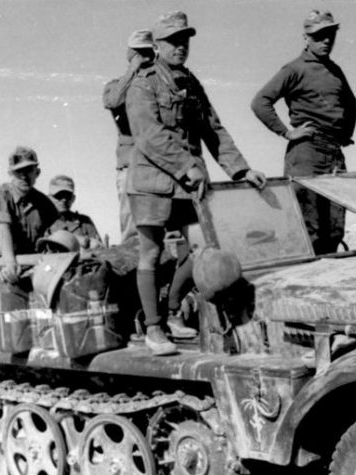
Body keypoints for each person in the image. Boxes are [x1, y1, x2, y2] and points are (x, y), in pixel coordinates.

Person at [126, 11, 267, 356]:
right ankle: (154, 327)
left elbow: (213, 129)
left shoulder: (191, 83)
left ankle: (173, 312)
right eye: (173, 41)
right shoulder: (143, 83)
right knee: (152, 252)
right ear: (157, 46)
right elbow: (148, 136)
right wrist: (188, 165)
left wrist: (240, 170)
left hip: (188, 183)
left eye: (185, 40)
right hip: (151, 183)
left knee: (198, 251)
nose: (181, 47)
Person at [251, 10, 356, 255]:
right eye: (319, 35)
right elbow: (260, 102)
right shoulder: (294, 69)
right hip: (306, 153)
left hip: (334, 154)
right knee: (308, 229)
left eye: (330, 34)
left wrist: (344, 133)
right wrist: (286, 133)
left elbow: (351, 104)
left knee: (334, 228)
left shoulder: (335, 71)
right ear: (306, 37)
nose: (326, 40)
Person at [0, 146, 59, 311]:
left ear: (37, 172)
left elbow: (57, 235)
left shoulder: (44, 203)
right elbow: (3, 229)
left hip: (29, 263)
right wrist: (9, 264)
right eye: (18, 172)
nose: (23, 176)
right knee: (11, 293)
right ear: (10, 173)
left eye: (28, 170)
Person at [103, 29, 155, 244]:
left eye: (149, 52)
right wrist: (133, 70)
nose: (146, 57)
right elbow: (112, 102)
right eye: (140, 52)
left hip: (157, 164)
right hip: (130, 165)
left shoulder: (158, 84)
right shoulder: (117, 85)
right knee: (132, 230)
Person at [47, 175, 103, 249]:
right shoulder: (41, 222)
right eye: (59, 196)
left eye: (67, 196)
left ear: (73, 198)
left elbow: (99, 249)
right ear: (49, 197)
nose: (64, 200)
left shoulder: (85, 223)